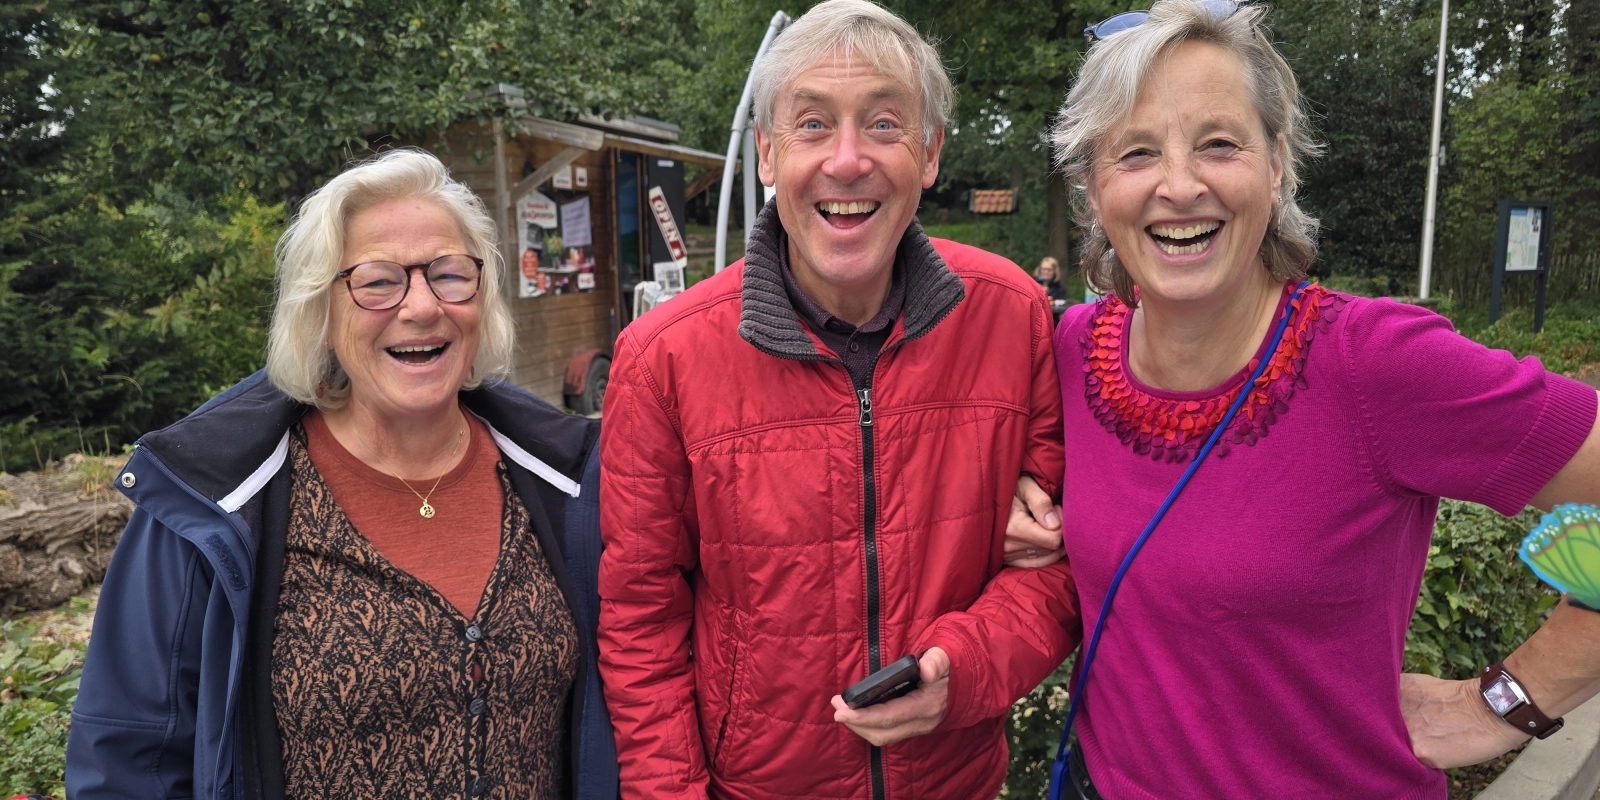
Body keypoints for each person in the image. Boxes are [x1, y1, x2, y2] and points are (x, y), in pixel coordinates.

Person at [1011, 1, 1600, 797]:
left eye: (1219, 144)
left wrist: (1509, 701)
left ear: (1277, 163)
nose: (1179, 185)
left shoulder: (1376, 363)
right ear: (1091, 185)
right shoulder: (1071, 352)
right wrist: (1020, 510)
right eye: (1137, 152)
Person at [596, 1, 1082, 798]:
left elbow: (1058, 569)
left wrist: (962, 670)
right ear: (766, 153)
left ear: (931, 152)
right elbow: (641, 620)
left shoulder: (1010, 316)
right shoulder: (665, 358)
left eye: (885, 124)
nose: (847, 160)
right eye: (813, 125)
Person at [65, 149, 618, 800]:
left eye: (449, 274)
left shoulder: (568, 480)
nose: (422, 306)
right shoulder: (215, 499)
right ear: (321, 314)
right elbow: (131, 760)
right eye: (378, 281)